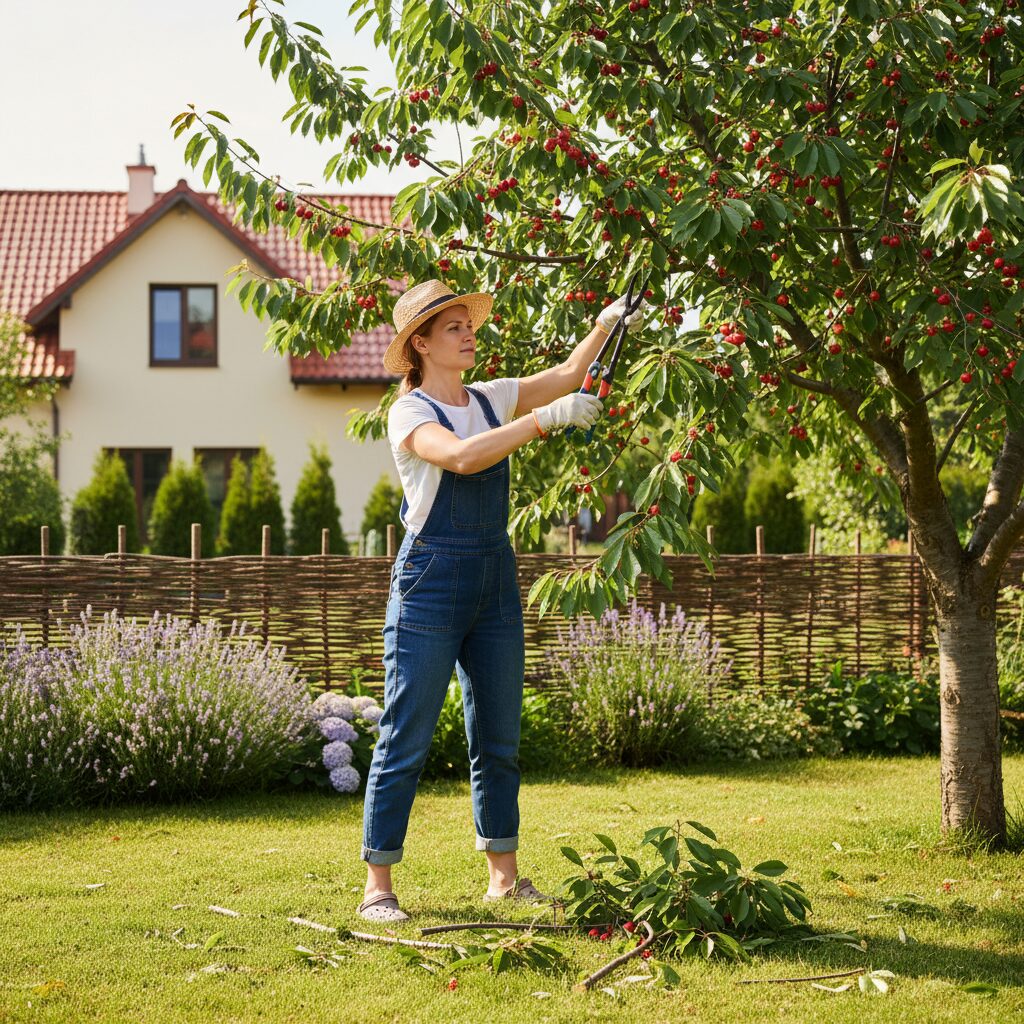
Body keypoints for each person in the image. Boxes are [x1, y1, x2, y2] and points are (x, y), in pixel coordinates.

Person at [357, 278, 644, 922]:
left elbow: (572, 372)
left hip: (493, 580)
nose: (468, 334)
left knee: (498, 734)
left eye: (468, 324)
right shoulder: (410, 413)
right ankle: (379, 886)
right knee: (406, 733)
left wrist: (604, 320)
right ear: (421, 344)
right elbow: (458, 458)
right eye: (453, 327)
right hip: (429, 585)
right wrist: (543, 421)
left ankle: (504, 878)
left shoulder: (491, 399)